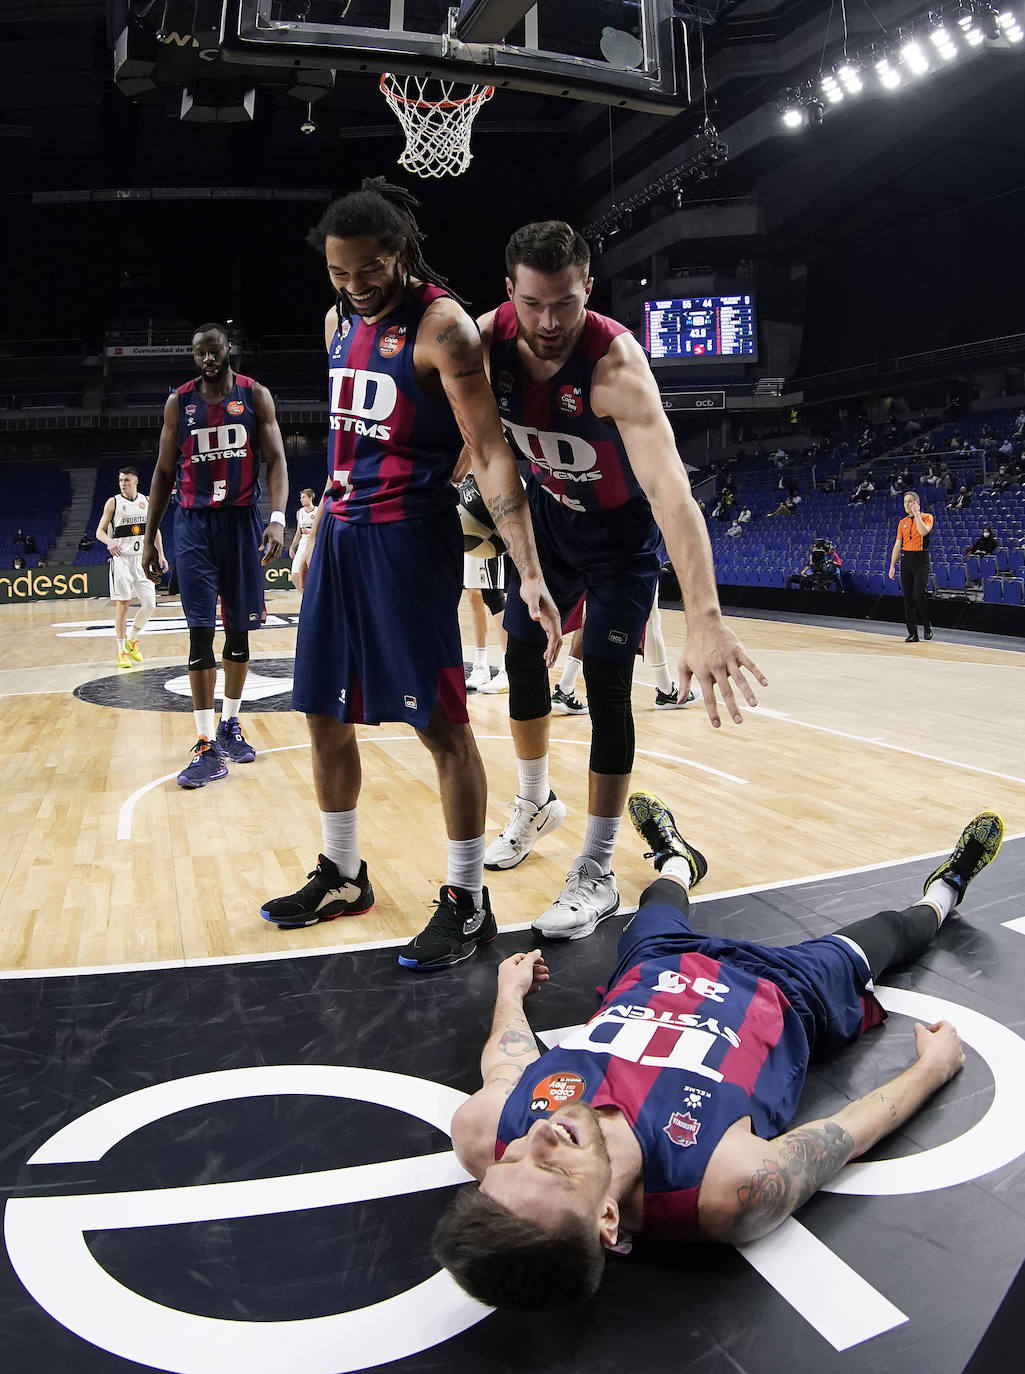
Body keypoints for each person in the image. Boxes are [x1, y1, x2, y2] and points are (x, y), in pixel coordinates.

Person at [434, 794, 1004, 1310]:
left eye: (509, 1162)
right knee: (893, 932)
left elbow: (505, 1066)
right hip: (788, 992)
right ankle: (948, 885)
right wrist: (932, 1070)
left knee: (658, 900)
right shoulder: (721, 1187)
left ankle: (677, 859)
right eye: (552, 1167)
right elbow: (844, 1133)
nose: (537, 1136)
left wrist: (509, 995)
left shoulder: (487, 1132)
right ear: (608, 1218)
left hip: (657, 967)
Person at [259, 179, 560, 973]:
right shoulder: (334, 322)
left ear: (399, 253)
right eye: (339, 271)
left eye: (368, 269)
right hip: (342, 538)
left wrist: (525, 566)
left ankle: (467, 901)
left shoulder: (444, 328)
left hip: (409, 540)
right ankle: (343, 874)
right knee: (322, 713)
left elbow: (489, 450)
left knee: (441, 727)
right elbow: (345, 444)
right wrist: (314, 525)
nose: (354, 286)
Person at [473, 221, 765, 940]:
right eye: (534, 305)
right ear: (509, 292)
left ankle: (596, 867)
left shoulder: (617, 367)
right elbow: (474, 442)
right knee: (520, 662)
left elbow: (671, 492)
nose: (549, 322)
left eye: (565, 305)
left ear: (587, 292)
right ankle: (536, 803)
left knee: (604, 682)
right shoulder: (481, 343)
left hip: (619, 536)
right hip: (546, 524)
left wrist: (704, 616)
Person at [142, 323, 288, 788]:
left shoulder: (255, 395)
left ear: (229, 350)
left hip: (242, 520)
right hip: (193, 525)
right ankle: (206, 745)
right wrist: (150, 536)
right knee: (200, 634)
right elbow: (164, 472)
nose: (207, 358)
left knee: (239, 633)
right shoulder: (178, 403)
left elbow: (277, 459)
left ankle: (230, 722)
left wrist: (278, 517)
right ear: (194, 357)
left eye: (214, 350)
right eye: (199, 353)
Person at [96, 465, 167, 668]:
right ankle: (121, 652)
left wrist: (161, 554)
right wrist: (109, 542)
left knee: (150, 604)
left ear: (136, 481)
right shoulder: (113, 503)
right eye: (120, 480)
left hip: (142, 560)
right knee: (123, 605)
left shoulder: (145, 501)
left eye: (126, 480)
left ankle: (132, 639)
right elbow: (99, 531)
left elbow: (155, 530)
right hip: (122, 561)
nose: (123, 484)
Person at [888, 489, 934, 643]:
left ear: (917, 503)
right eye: (905, 502)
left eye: (910, 502)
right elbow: (897, 544)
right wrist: (892, 565)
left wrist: (916, 514)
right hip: (907, 560)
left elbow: (923, 532)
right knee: (907, 597)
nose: (907, 505)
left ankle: (927, 625)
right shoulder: (902, 523)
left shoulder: (927, 517)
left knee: (918, 595)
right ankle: (912, 632)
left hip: (921, 560)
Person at [288, 487, 318, 589]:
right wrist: (292, 546)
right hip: (303, 543)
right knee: (295, 574)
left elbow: (323, 530)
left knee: (312, 572)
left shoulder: (318, 511)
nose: (301, 499)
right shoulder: (299, 512)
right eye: (301, 497)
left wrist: (312, 532)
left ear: (310, 498)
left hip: (315, 543)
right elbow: (298, 532)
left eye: (303, 497)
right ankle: (304, 597)